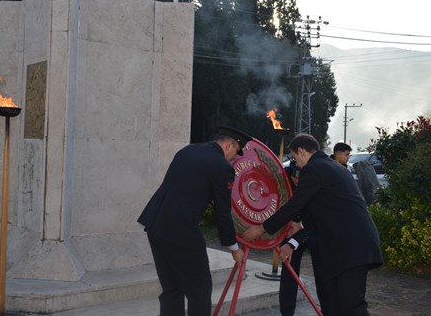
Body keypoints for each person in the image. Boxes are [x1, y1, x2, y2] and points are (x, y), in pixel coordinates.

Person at [243, 133, 383, 316]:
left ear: (301, 151)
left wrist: (262, 228)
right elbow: (325, 205)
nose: (296, 164)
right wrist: (300, 226)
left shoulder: (314, 168)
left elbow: (295, 204)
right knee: (334, 305)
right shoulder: (332, 166)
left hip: (351, 247)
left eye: (294, 157)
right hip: (348, 246)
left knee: (351, 306)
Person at [137, 126, 253, 316]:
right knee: (199, 292)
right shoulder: (222, 167)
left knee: (171, 290)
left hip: (156, 224)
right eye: (235, 154)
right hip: (182, 231)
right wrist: (234, 248)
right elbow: (222, 212)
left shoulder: (188, 150)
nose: (233, 159)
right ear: (230, 145)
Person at [278, 158, 329, 316]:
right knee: (289, 275)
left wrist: (294, 241)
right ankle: (286, 313)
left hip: (314, 229)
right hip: (291, 228)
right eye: (295, 178)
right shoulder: (283, 177)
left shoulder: (317, 180)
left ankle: (327, 311)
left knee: (322, 276)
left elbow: (316, 217)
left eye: (301, 179)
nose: (297, 181)